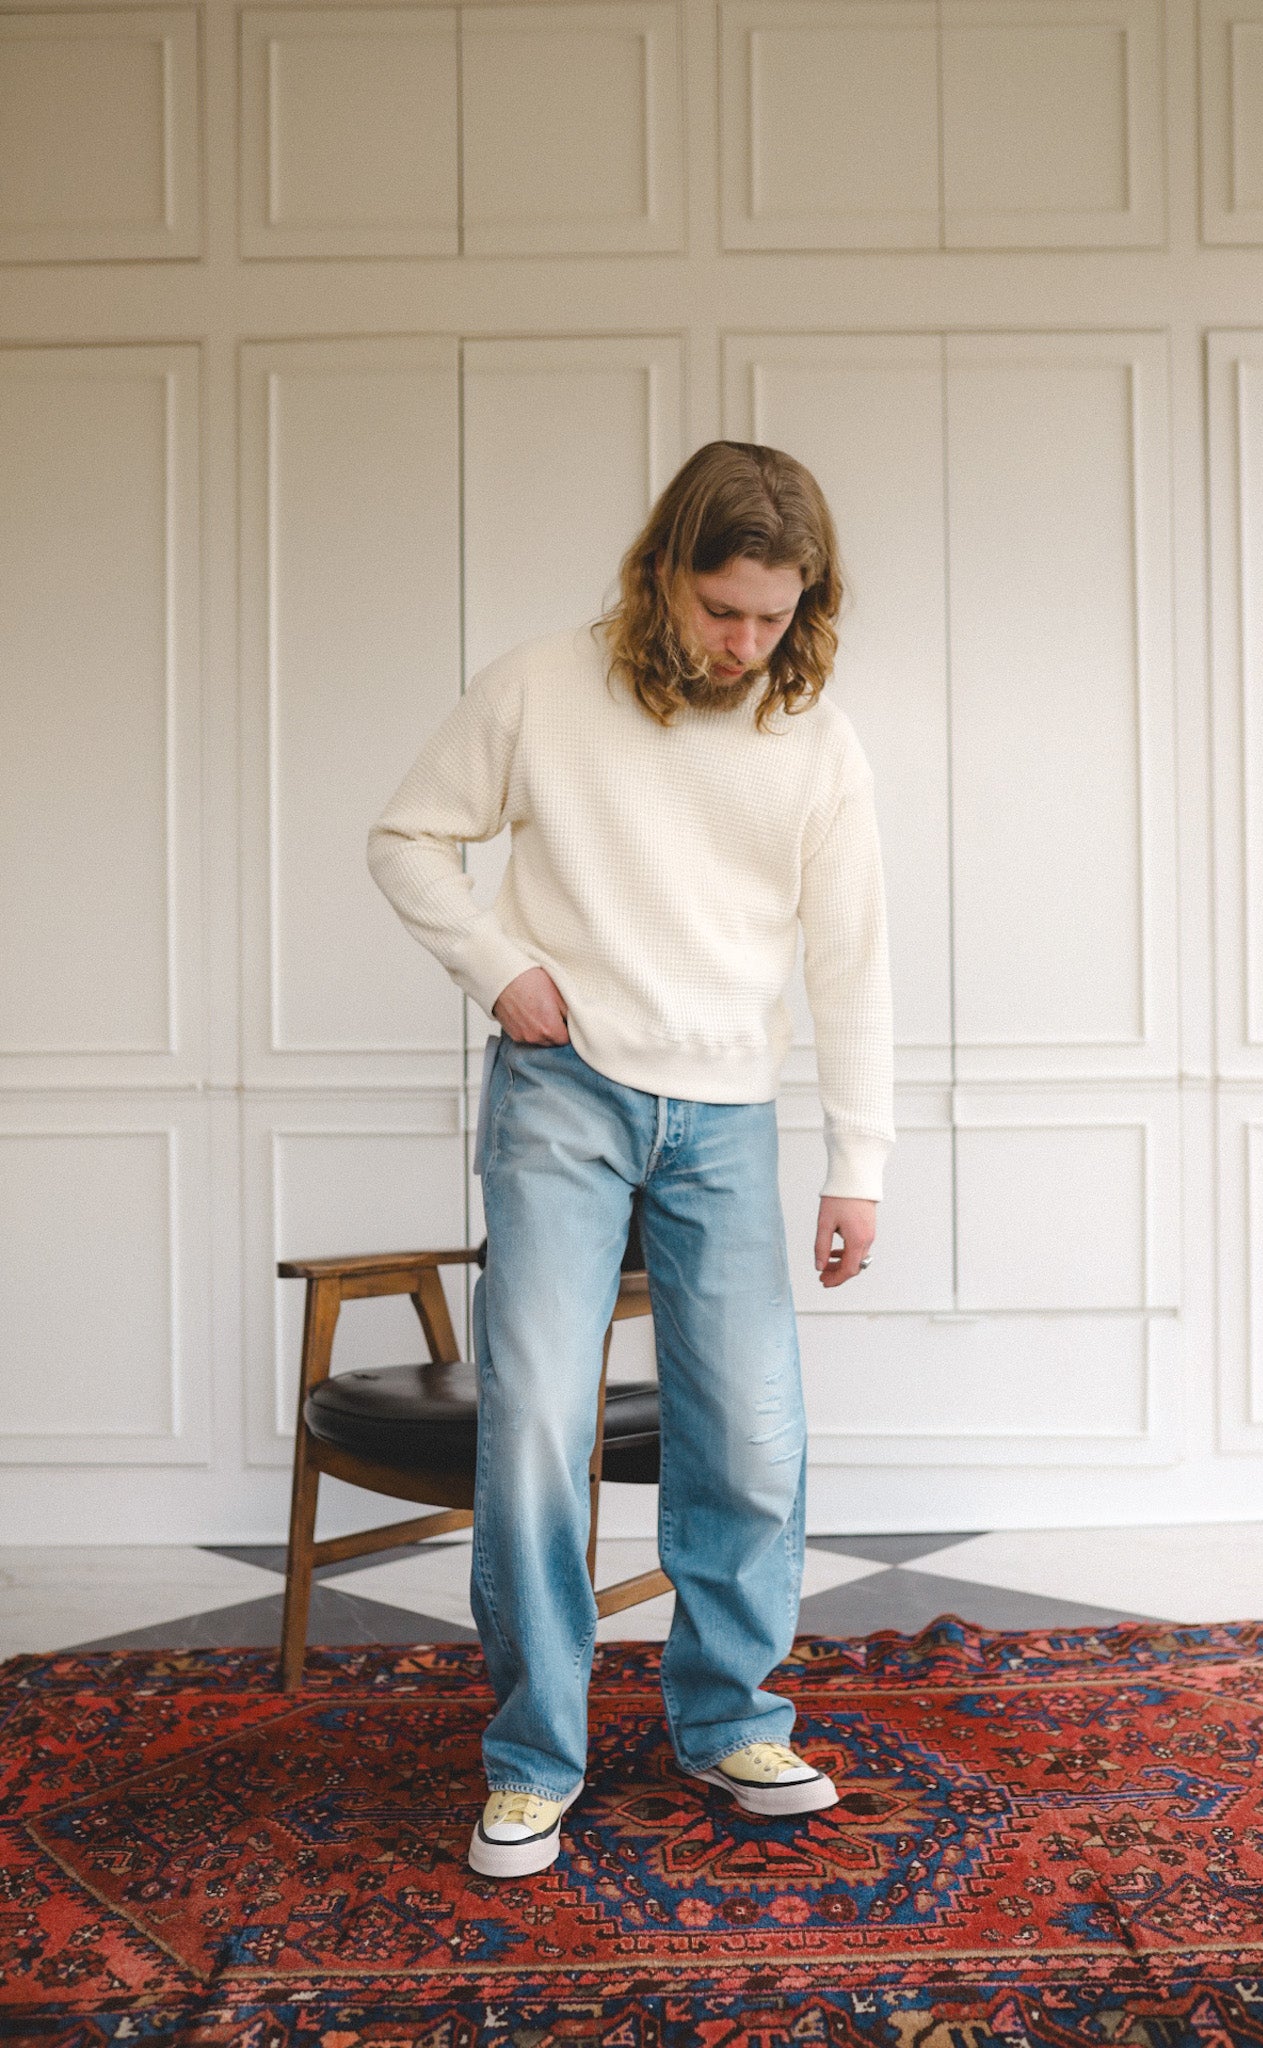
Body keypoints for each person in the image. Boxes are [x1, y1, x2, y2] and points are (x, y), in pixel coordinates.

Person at [367, 440, 894, 1880]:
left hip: (727, 1111)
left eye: (774, 617)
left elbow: (852, 959)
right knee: (537, 1420)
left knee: (753, 1434)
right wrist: (497, 966)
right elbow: (408, 838)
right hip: (563, 1090)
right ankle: (534, 1759)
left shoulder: (815, 738)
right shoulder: (541, 686)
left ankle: (730, 1722)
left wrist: (858, 1162)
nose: (744, 644)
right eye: (721, 609)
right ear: (663, 573)